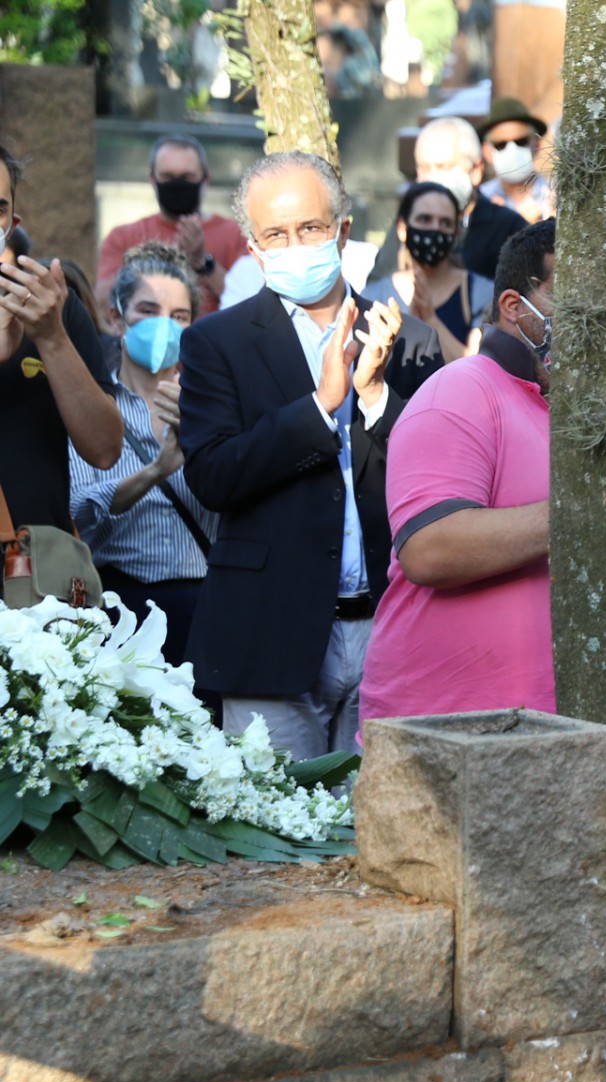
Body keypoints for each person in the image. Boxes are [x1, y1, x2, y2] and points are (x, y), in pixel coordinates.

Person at [178, 151, 443, 759]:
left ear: (343, 231)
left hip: (388, 626)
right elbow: (213, 477)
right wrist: (322, 407)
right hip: (269, 633)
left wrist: (374, 396)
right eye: (276, 234)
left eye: (311, 229)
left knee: (383, 831)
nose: (295, 245)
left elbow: (436, 480)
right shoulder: (217, 341)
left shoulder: (410, 341)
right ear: (253, 246)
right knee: (276, 836)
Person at [361, 219, 556, 724]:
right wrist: (579, 513)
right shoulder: (462, 390)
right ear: (515, 307)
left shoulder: (569, 409)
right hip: (444, 729)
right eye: (572, 299)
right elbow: (429, 547)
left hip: (544, 726)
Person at [69, 242, 218, 675]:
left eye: (179, 317)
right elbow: (79, 513)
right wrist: (155, 472)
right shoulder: (93, 408)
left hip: (203, 604)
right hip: (122, 608)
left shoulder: (214, 407)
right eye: (148, 312)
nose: (164, 327)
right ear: (116, 319)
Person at [0, 143, 121, 533]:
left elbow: (105, 449)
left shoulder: (52, 307)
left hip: (34, 575)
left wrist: (52, 339)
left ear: (12, 224)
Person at [96, 135, 248, 318]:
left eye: (187, 177)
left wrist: (202, 262)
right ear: (153, 180)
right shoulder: (123, 237)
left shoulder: (236, 235)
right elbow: (103, 305)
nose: (177, 184)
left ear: (205, 180)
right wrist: (153, 263)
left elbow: (249, 302)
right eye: (167, 177)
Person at [369, 117, 528, 285]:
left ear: (476, 171)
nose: (432, 178)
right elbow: (377, 286)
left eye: (443, 167)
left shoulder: (508, 230)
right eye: (424, 168)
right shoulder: (411, 224)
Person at [362, 181, 493, 362]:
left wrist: (430, 320)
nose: (434, 229)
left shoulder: (479, 292)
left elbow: (478, 368)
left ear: (456, 233)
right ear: (402, 228)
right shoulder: (374, 295)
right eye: (425, 219)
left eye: (445, 223)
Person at [478, 97, 556, 224]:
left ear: (537, 145)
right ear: (487, 152)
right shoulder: (481, 201)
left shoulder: (556, 197)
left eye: (521, 141)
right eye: (501, 145)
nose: (512, 150)